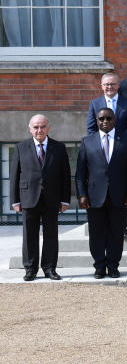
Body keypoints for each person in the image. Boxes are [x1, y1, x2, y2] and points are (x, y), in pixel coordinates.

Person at [76, 107, 127, 279]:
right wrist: (81, 194)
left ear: (114, 120)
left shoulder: (126, 140)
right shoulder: (88, 141)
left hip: (119, 196)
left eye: (109, 118)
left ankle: (113, 266)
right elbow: (81, 173)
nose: (105, 122)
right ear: (97, 121)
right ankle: (99, 266)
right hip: (94, 197)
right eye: (101, 119)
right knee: (97, 234)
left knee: (116, 233)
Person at [10, 115, 71, 281]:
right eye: (36, 127)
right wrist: (15, 200)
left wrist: (65, 199)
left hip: (52, 198)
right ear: (30, 129)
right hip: (28, 198)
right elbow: (14, 175)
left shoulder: (59, 147)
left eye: (43, 126)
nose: (39, 130)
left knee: (51, 235)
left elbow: (65, 175)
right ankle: (30, 269)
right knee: (29, 235)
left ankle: (50, 268)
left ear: (48, 128)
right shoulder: (21, 147)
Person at [87, 72, 127, 144]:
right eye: (107, 84)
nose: (110, 87)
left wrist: (121, 141)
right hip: (102, 143)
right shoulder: (95, 103)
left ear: (118, 85)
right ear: (102, 86)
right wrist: (98, 142)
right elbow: (91, 128)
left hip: (122, 144)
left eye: (113, 84)